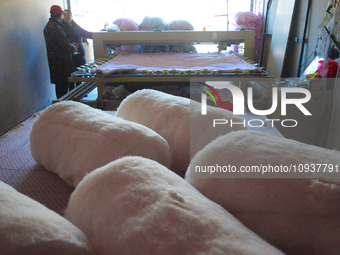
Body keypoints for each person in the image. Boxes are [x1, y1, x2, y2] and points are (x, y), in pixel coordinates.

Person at [44, 5, 77, 99]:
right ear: (60, 15)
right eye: (63, 14)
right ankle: (62, 108)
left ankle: (61, 106)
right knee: (62, 88)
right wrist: (72, 47)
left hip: (55, 62)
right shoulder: (55, 27)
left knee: (60, 87)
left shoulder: (49, 26)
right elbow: (64, 44)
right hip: (61, 63)